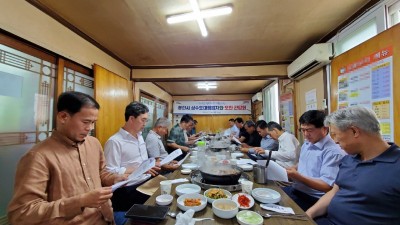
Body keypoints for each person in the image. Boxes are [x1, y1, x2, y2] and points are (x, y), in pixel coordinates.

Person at [7, 91, 126, 225]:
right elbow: (22, 213)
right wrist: (80, 201)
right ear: (63, 117)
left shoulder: (93, 143)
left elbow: (101, 173)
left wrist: (115, 178)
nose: (90, 128)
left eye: (93, 122)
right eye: (86, 122)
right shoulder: (38, 157)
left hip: (107, 218)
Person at [306, 106, 400, 225]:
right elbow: (334, 192)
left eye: (335, 134)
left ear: (354, 131)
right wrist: (308, 215)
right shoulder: (348, 159)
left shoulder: (396, 165)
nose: (334, 141)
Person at [283, 110, 346, 211]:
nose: (306, 134)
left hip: (313, 198)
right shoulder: (308, 143)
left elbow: (327, 186)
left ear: (324, 129)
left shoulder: (333, 152)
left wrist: (297, 176)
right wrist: (294, 168)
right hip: (296, 189)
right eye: (303, 130)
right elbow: (304, 162)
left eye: (309, 130)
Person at [104, 101, 161, 212]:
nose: (145, 124)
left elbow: (143, 162)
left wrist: (152, 165)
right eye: (143, 120)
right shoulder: (115, 141)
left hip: (146, 180)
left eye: (146, 120)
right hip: (129, 188)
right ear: (131, 119)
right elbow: (109, 172)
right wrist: (140, 169)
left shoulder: (140, 136)